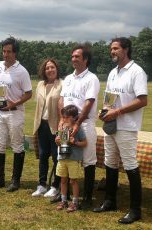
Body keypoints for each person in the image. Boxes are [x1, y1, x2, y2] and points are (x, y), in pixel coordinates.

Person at [93, 37, 148, 224]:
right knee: (110, 162)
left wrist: (118, 112)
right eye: (111, 49)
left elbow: (142, 100)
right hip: (111, 125)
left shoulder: (136, 71)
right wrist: (105, 110)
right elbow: (109, 99)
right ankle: (110, 201)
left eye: (115, 48)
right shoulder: (112, 73)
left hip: (127, 127)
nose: (112, 52)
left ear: (126, 49)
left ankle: (135, 210)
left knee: (130, 165)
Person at [0, 37, 32, 192]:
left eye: (9, 52)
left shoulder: (22, 71)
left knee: (17, 145)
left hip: (14, 113)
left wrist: (14, 103)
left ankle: (15, 181)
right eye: (4, 51)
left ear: (15, 53)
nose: (5, 55)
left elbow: (29, 93)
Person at [58, 44, 100, 209]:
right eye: (72, 56)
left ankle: (87, 198)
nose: (73, 59)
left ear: (85, 60)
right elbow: (62, 100)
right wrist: (62, 120)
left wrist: (77, 123)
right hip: (66, 124)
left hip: (85, 123)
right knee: (65, 156)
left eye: (77, 57)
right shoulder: (68, 78)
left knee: (88, 160)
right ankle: (64, 197)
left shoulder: (92, 78)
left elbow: (89, 103)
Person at [32, 59, 62, 197]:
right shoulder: (39, 85)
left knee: (56, 156)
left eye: (52, 67)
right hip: (41, 125)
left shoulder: (62, 84)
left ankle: (56, 185)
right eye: (47, 68)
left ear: (57, 69)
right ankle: (42, 184)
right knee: (43, 155)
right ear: (44, 71)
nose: (50, 70)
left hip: (55, 125)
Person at [55, 105, 87, 212]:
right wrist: (57, 140)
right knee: (63, 180)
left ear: (74, 117)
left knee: (73, 181)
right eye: (63, 117)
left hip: (73, 159)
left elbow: (85, 143)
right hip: (62, 158)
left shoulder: (78, 129)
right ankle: (63, 200)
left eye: (67, 117)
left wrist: (76, 142)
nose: (64, 119)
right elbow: (58, 141)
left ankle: (75, 202)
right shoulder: (62, 128)